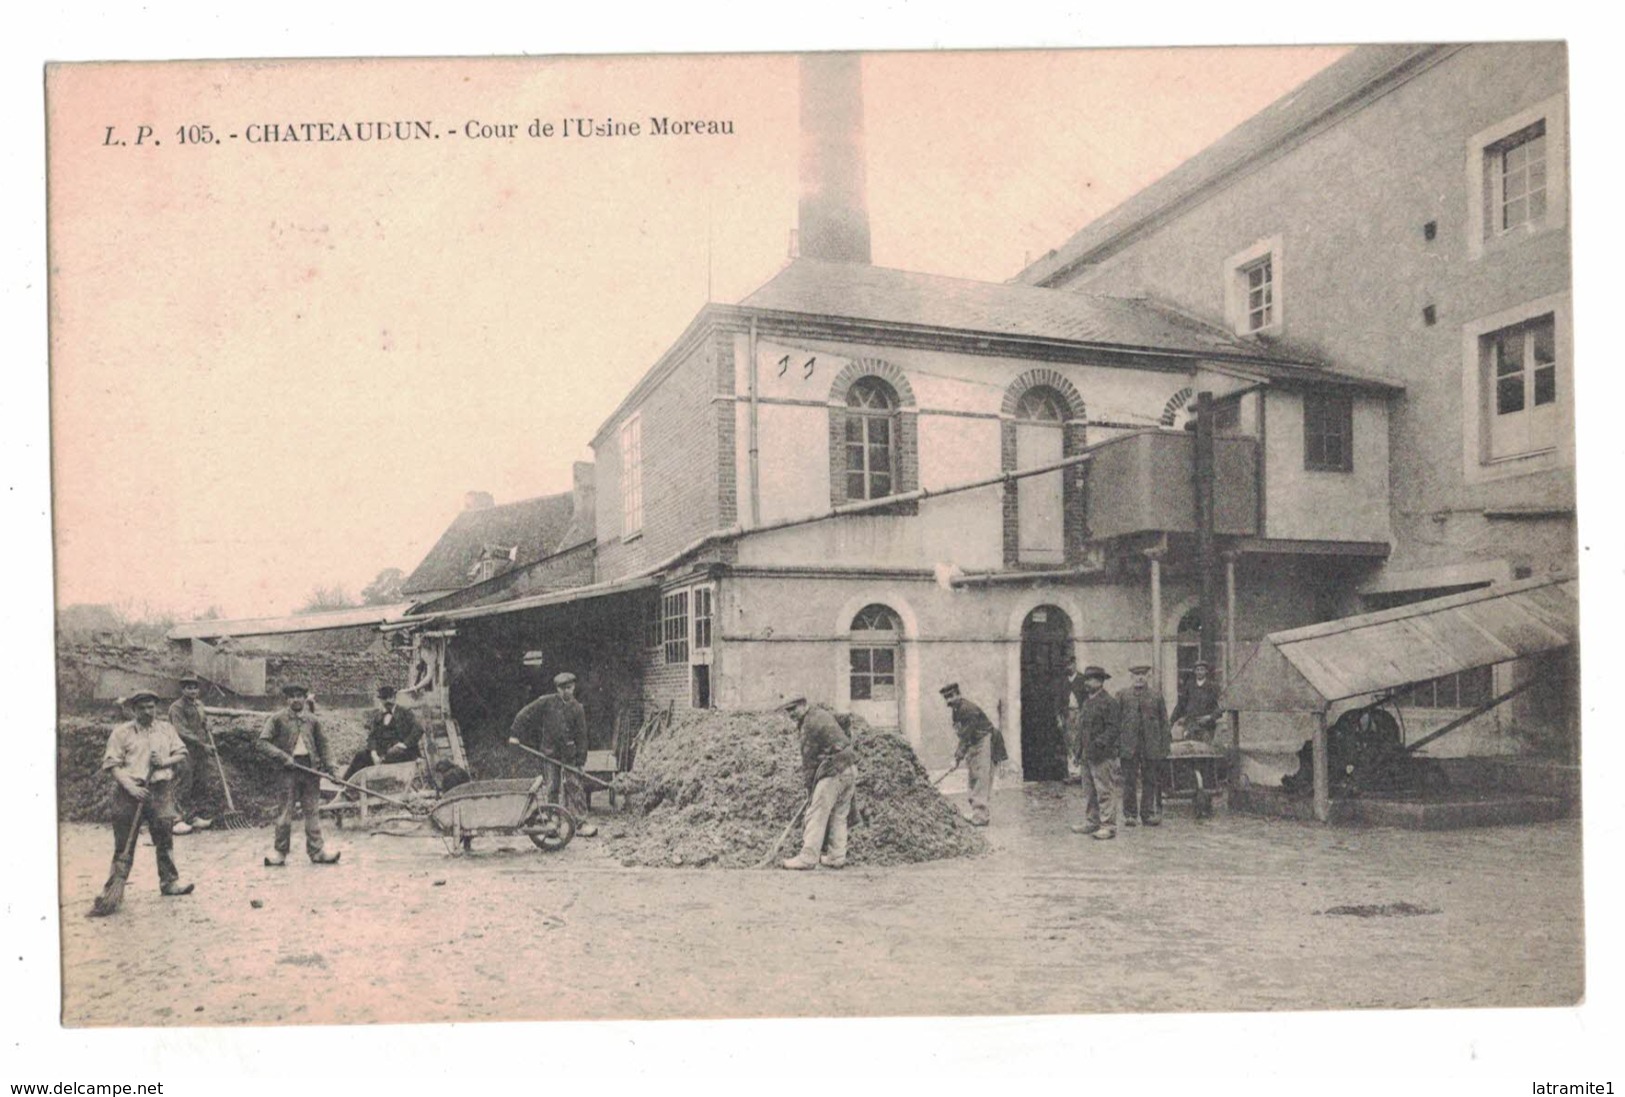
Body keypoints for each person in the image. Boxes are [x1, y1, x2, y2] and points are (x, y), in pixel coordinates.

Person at [98, 690, 194, 899]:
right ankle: (114, 889)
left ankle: (170, 882)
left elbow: (181, 752)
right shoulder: (122, 733)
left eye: (151, 707)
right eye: (142, 708)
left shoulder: (166, 729)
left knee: (165, 837)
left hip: (159, 791)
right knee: (124, 843)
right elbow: (112, 764)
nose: (148, 712)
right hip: (129, 792)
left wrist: (163, 762)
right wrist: (131, 787)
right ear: (133, 710)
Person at [256, 684, 341, 866]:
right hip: (288, 772)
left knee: (312, 813)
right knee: (285, 814)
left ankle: (317, 851)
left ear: (304, 698)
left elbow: (324, 746)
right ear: (286, 700)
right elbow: (262, 743)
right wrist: (282, 756)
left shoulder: (313, 721)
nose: (295, 699)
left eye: (299, 696)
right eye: (291, 696)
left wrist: (332, 769)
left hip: (310, 772)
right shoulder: (277, 719)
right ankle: (280, 852)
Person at [509, 672, 597, 837]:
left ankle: (580, 823)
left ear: (574, 687)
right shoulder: (546, 702)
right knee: (552, 787)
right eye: (562, 688)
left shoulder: (578, 709)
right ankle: (553, 821)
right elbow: (525, 713)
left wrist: (581, 759)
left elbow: (582, 737)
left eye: (569, 688)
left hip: (570, 756)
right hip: (550, 754)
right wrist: (515, 733)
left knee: (574, 786)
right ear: (557, 689)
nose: (566, 692)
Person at [781, 696, 858, 869]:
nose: (791, 714)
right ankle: (836, 857)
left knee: (816, 814)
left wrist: (810, 791)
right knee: (839, 814)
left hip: (833, 771)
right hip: (850, 767)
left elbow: (809, 762)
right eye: (788, 711)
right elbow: (845, 723)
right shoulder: (821, 714)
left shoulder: (809, 725)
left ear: (804, 705)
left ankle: (808, 858)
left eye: (793, 709)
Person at [941, 682, 1007, 827]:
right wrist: (960, 755)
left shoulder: (968, 709)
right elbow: (963, 735)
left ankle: (981, 816)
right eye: (946, 698)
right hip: (974, 743)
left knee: (981, 778)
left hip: (984, 741)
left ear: (958, 694)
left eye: (950, 697)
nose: (948, 701)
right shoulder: (957, 709)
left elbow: (966, 735)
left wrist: (957, 757)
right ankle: (977, 812)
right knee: (974, 777)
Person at [1117, 663, 1171, 827]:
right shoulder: (1122, 695)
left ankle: (1147, 814)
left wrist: (1164, 746)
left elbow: (1164, 723)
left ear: (1148, 677)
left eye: (1143, 674)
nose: (1140, 678)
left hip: (1151, 745)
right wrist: (1117, 746)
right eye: (1136, 675)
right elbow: (1116, 722)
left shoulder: (1156, 696)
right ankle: (1130, 815)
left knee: (1150, 780)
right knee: (1129, 781)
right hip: (1129, 745)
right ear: (1131, 677)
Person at [1068, 666, 1119, 839]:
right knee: (1089, 792)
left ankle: (1108, 826)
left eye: (1091, 680)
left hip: (1102, 755)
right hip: (1086, 756)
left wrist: (1098, 744)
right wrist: (1077, 751)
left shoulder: (1109, 702)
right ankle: (1092, 822)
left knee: (1105, 791)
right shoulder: (1087, 702)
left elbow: (1113, 729)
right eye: (1087, 680)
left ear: (1100, 682)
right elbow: (1081, 730)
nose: (1087, 683)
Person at [343, 685, 424, 781]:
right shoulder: (378, 716)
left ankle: (379, 783)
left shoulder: (405, 712)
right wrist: (373, 753)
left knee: (392, 754)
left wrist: (405, 744)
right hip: (382, 752)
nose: (387, 702)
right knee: (360, 755)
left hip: (403, 753)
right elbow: (372, 737)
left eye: (389, 698)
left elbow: (418, 729)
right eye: (384, 699)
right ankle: (345, 784)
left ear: (394, 698)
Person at [165, 675, 214, 833]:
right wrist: (202, 744)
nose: (192, 691)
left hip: (199, 750)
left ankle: (192, 817)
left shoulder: (199, 704)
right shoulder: (176, 707)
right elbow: (181, 731)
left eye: (195, 687)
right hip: (182, 750)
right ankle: (176, 819)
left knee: (200, 781)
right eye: (188, 688)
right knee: (183, 782)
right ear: (182, 689)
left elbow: (202, 723)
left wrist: (207, 725)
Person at [1171, 660, 1222, 744]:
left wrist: (1210, 717)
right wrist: (1171, 721)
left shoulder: (1213, 687)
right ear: (1194, 671)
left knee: (1205, 750)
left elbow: (1220, 708)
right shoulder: (1189, 686)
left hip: (1207, 726)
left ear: (1206, 671)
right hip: (1191, 725)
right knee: (1190, 748)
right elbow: (1181, 705)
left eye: (1202, 669)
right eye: (1197, 670)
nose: (1199, 672)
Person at [1057, 656, 1086, 780]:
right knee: (1068, 741)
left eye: (1070, 664)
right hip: (1067, 714)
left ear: (1074, 664)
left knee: (1079, 740)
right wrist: (1058, 717)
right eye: (1066, 665)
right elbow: (1057, 701)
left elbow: (1086, 699)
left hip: (1080, 713)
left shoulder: (1082, 680)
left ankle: (1080, 772)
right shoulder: (1063, 682)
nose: (1068, 667)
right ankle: (1071, 772)